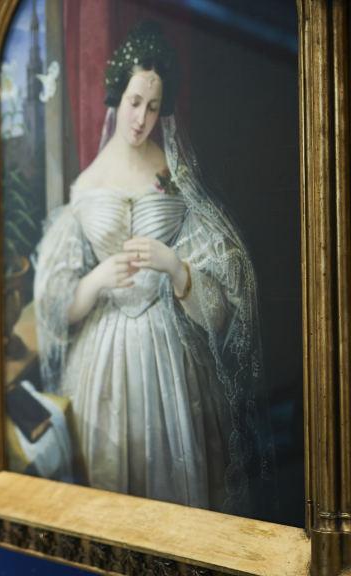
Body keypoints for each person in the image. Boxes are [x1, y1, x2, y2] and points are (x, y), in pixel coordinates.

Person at [32, 22, 271, 515]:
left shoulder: (175, 176)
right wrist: (97, 280)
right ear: (117, 96)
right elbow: (58, 310)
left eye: (154, 106)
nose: (141, 118)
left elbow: (222, 308)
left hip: (172, 353)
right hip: (103, 357)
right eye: (135, 100)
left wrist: (176, 268)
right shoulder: (85, 186)